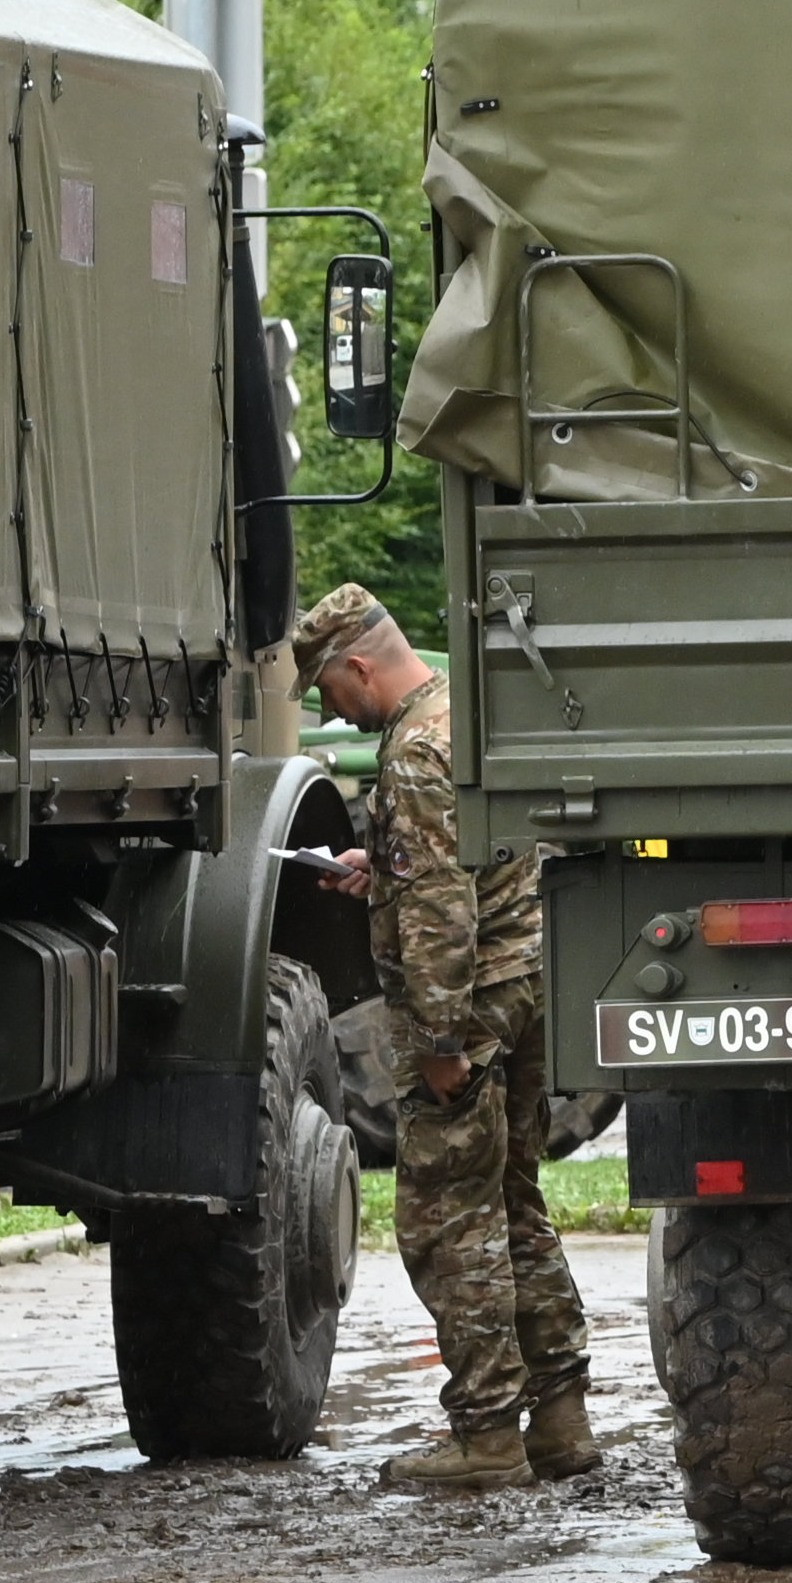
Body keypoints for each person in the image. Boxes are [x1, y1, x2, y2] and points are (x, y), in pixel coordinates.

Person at [289, 582, 597, 1491]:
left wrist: (437, 1039)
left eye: (327, 692)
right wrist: (375, 870)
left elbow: (439, 909)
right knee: (513, 1204)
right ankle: (561, 1417)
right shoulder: (466, 720)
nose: (327, 710)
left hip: (471, 1011)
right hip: (528, 985)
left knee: (446, 1222)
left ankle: (486, 1436)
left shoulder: (415, 753)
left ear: (357, 666)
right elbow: (461, 867)